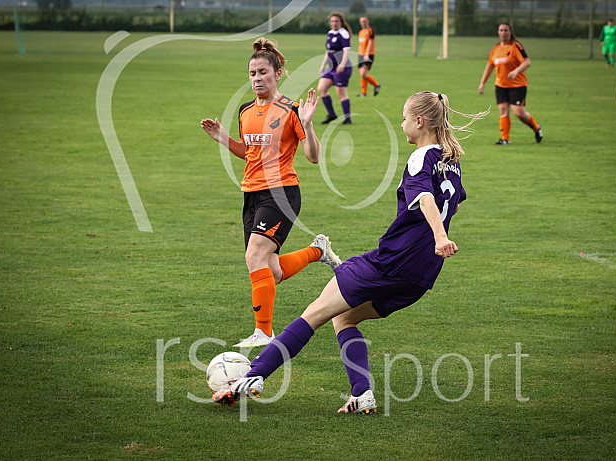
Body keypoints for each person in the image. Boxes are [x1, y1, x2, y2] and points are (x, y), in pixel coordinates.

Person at [212, 91, 487, 413]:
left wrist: (438, 236)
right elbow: (452, 201)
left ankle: (253, 377)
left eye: (403, 118)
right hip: (423, 272)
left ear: (419, 121)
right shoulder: (451, 163)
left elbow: (425, 196)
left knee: (314, 314)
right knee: (344, 318)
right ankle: (362, 394)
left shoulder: (421, 157)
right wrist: (435, 239)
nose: (401, 125)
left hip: (393, 261)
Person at [201, 38, 342, 348]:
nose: (256, 79)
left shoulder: (292, 110)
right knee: (271, 271)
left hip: (281, 193)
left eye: (263, 72)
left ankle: (264, 333)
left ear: (278, 73)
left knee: (254, 257)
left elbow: (313, 156)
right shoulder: (244, 111)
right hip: (251, 193)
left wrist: (308, 124)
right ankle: (318, 251)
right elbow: (250, 152)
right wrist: (223, 138)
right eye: (252, 73)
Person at [478, 22, 543, 145]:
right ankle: (505, 139)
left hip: (517, 85)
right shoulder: (495, 49)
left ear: (510, 32)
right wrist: (482, 83)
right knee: (503, 111)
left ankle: (536, 128)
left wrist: (516, 71)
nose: (503, 33)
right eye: (501, 30)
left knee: (519, 113)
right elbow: (490, 66)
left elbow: (527, 62)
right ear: (498, 32)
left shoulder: (515, 46)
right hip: (501, 85)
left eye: (505, 30)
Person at [318, 12, 353, 125]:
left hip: (342, 68)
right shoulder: (330, 33)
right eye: (332, 21)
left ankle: (348, 119)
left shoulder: (344, 33)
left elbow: (347, 50)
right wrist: (323, 65)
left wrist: (342, 64)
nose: (334, 23)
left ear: (341, 22)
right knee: (321, 89)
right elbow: (328, 51)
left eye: (337, 21)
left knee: (341, 94)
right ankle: (332, 115)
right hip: (331, 68)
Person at [357, 16, 381, 98]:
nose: (363, 23)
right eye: (361, 21)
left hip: (368, 55)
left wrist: (366, 54)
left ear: (368, 21)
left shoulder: (370, 31)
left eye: (364, 21)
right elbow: (360, 44)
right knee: (362, 74)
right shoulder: (361, 32)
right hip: (360, 55)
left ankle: (376, 84)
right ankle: (364, 93)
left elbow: (370, 43)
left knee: (364, 74)